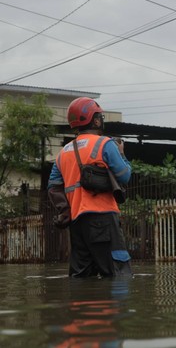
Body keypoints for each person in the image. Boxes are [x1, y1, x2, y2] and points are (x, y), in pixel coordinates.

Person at [48, 97, 133, 278]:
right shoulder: (105, 144)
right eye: (100, 116)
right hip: (103, 220)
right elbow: (125, 175)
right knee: (118, 274)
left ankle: (80, 306)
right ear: (94, 120)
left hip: (77, 223)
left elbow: (53, 187)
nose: (101, 119)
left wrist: (65, 210)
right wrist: (122, 154)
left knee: (81, 277)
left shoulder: (63, 153)